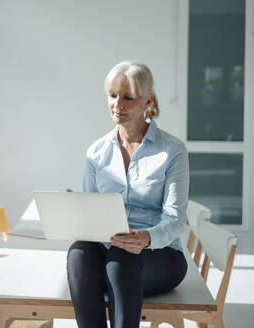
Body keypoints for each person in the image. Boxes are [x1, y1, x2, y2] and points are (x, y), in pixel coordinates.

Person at [66, 61, 189, 328]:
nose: (117, 104)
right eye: (112, 95)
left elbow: (176, 219)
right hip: (110, 253)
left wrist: (146, 238)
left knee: (122, 259)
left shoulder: (172, 151)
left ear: (148, 101)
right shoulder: (96, 152)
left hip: (160, 255)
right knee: (79, 253)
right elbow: (90, 212)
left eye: (127, 97)